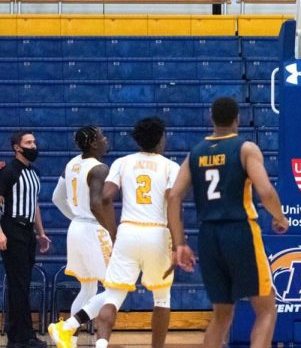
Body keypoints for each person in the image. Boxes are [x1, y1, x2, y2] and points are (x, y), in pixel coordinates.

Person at [168, 97, 290, 348]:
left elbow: (173, 195)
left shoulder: (196, 152)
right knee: (266, 309)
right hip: (240, 231)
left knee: (222, 314)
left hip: (208, 236)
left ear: (211, 119)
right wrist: (279, 217)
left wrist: (179, 243)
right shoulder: (245, 149)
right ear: (238, 119)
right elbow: (265, 191)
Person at [48, 118, 180, 348]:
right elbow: (172, 200)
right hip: (153, 233)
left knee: (111, 295)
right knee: (161, 299)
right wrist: (179, 242)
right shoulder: (170, 166)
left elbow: (104, 197)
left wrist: (115, 231)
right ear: (161, 139)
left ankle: (80, 334)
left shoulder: (120, 162)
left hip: (119, 230)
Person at [52, 127, 112, 336]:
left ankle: (69, 339)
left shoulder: (71, 164)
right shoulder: (99, 168)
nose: (106, 139)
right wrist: (112, 231)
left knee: (88, 289)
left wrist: (76, 217)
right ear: (94, 143)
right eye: (102, 136)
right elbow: (96, 205)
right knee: (115, 288)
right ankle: (71, 328)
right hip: (94, 230)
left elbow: (56, 198)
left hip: (76, 227)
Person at [0, 131, 51, 348]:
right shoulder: (8, 171)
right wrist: (0, 233)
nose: (33, 145)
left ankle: (18, 336)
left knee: (22, 284)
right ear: (17, 147)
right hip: (12, 229)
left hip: (28, 231)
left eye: (34, 142)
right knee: (18, 285)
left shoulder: (34, 173)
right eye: (28, 142)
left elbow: (34, 204)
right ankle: (23, 337)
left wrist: (40, 233)